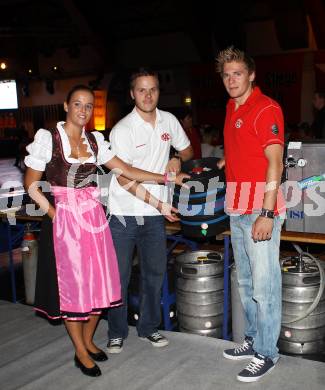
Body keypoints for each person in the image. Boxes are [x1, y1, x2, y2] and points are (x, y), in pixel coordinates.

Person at [24, 84, 188, 378]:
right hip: (64, 220)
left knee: (101, 281)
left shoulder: (95, 141)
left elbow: (125, 171)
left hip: (94, 217)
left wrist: (163, 179)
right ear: (66, 106)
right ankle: (80, 350)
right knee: (74, 288)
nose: (83, 111)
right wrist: (54, 213)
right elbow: (31, 184)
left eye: (88, 106)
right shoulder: (48, 139)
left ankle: (88, 340)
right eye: (78, 104)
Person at [106, 68, 193, 353]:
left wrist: (177, 158)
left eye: (152, 89)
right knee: (119, 277)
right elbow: (123, 177)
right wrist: (161, 194)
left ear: (159, 91)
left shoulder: (169, 120)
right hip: (124, 213)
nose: (147, 95)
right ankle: (117, 331)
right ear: (132, 94)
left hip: (155, 216)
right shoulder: (123, 129)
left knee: (154, 274)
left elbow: (189, 150)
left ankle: (148, 328)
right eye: (141, 90)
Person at [216, 47, 285, 382]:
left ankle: (268, 352)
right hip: (236, 206)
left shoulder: (266, 107)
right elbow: (244, 149)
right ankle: (255, 339)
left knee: (264, 285)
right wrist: (224, 163)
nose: (231, 80)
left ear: (251, 74)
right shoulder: (232, 106)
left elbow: (275, 162)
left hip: (261, 208)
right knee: (245, 283)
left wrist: (267, 212)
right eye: (226, 74)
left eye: (238, 73)